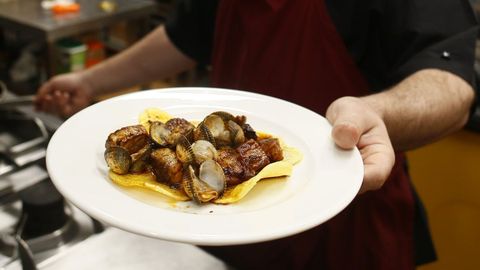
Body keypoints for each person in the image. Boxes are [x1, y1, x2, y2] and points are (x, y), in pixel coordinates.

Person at [35, 0, 478, 269]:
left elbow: (450, 81)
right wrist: (93, 81)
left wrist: (375, 112)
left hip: (344, 224)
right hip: (226, 226)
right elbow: (185, 35)